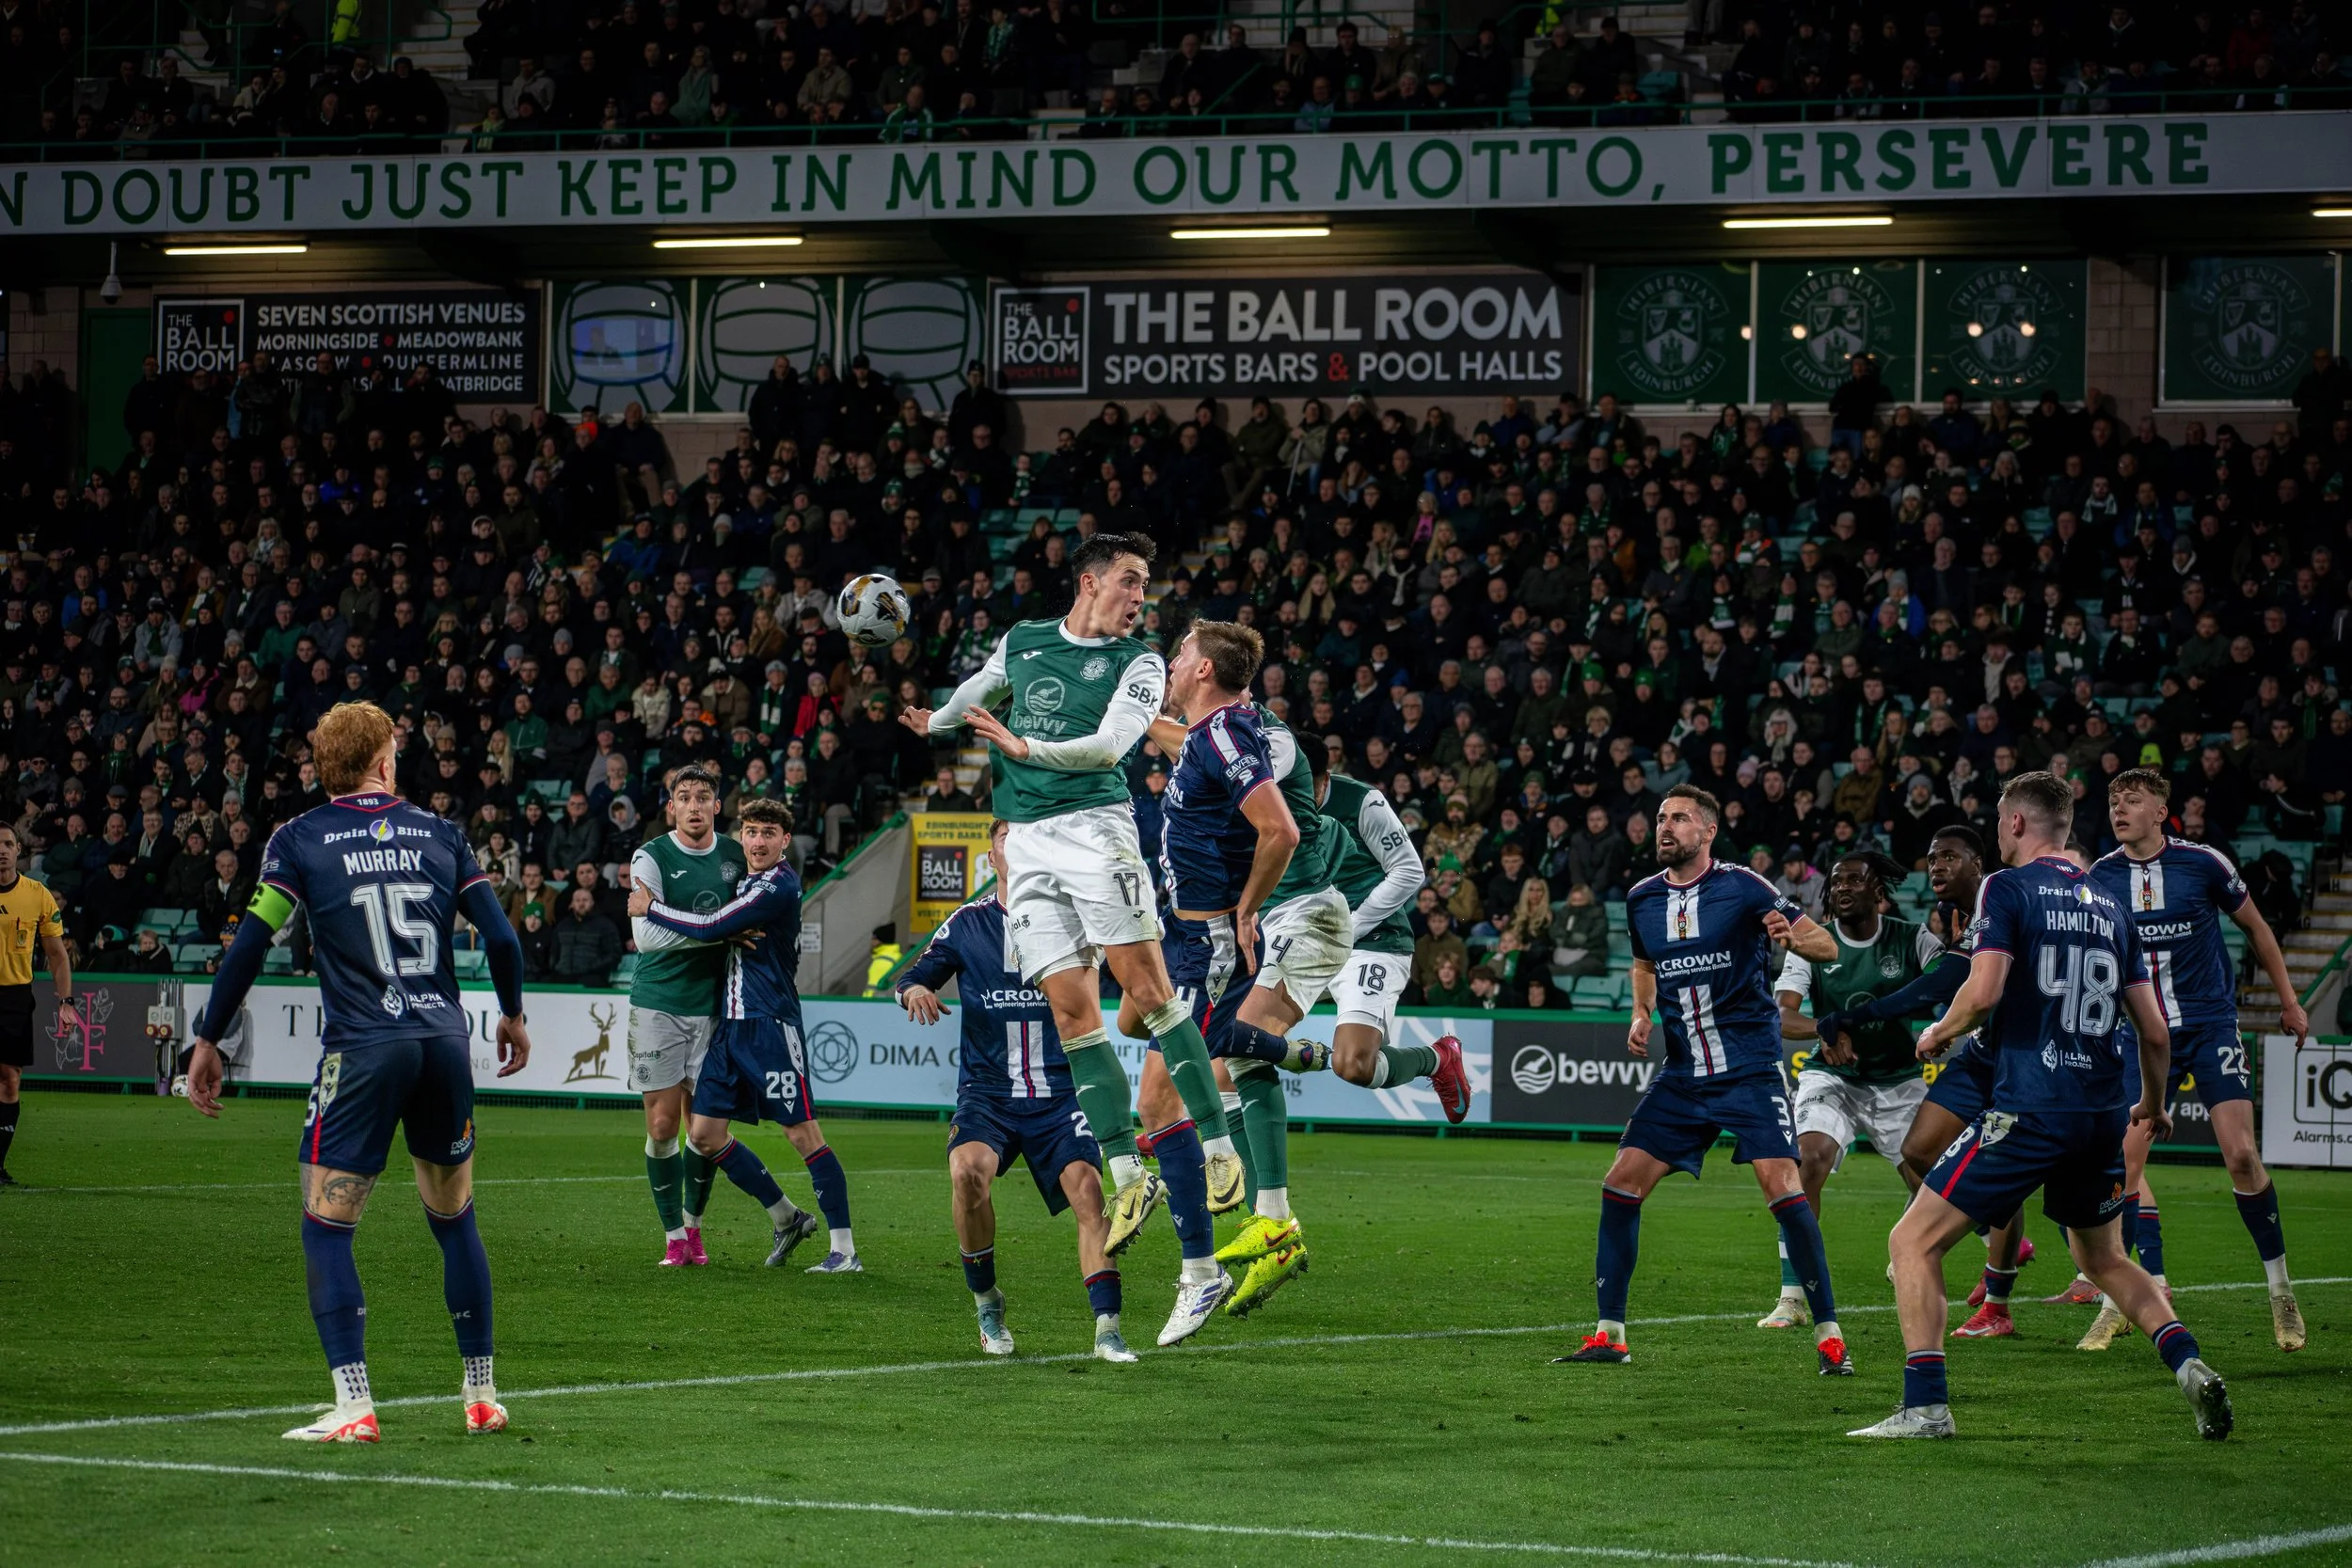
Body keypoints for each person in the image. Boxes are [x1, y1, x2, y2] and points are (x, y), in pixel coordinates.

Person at [183, 701, 532, 1444]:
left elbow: (250, 943)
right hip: (442, 1040)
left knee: (327, 1226)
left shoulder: (300, 839)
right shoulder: (442, 834)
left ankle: (355, 1405)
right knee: (455, 1218)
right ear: (382, 760)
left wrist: (209, 1035)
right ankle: (481, 1394)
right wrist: (511, 1013)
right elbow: (500, 937)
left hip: (364, 1047)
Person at [899, 534, 1245, 1281]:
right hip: (1025, 846)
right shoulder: (1023, 640)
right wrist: (936, 720)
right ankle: (1129, 1175)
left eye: (1146, 585)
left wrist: (1021, 750)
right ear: (1089, 582)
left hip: (1095, 832)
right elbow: (977, 689)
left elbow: (1109, 747)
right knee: (1073, 1018)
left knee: (1150, 994)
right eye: (1129, 581)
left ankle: (1219, 1148)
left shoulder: (1141, 662)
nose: (1140, 596)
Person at [1859, 772, 2231, 1441]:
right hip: (2099, 1114)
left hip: (2032, 1103)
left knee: (1910, 1241)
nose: (2000, 832)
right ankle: (2187, 1362)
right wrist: (2149, 1103)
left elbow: (1985, 987)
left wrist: (1939, 1031)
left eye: (2002, 821)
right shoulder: (2114, 907)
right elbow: (2153, 1030)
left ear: (2020, 824)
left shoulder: (2009, 887)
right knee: (2106, 1259)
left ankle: (1925, 1408)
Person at [1559, 784, 1850, 1373]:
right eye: (1661, 818)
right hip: (1684, 1074)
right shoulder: (1641, 898)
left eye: (1680, 819)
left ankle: (1829, 1334)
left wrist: (1796, 939)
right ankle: (1610, 1334)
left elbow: (1823, 943)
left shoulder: (1743, 885)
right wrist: (1642, 1011)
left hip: (1748, 1070)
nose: (1666, 827)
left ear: (1707, 831)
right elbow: (1644, 963)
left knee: (1784, 1190)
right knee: (1620, 1185)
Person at [2081, 769, 2310, 1354]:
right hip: (2141, 1038)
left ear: (2162, 810)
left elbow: (2256, 928)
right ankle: (2116, 1303)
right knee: (2124, 1165)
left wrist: (2289, 1001)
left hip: (2209, 1027)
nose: (2120, 809)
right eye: (2113, 801)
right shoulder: (2102, 877)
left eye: (2132, 801)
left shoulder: (2204, 863)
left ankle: (2281, 1291)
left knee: (2240, 1155)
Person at [897, 818, 1135, 1362]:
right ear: (993, 854)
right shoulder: (966, 924)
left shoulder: (1074, 920)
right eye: (1008, 838)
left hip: (1061, 1092)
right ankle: (986, 1301)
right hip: (988, 1093)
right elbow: (914, 976)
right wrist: (912, 993)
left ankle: (1108, 1328)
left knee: (1089, 1194)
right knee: (967, 1175)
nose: (1018, 846)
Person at [628, 797, 856, 1274]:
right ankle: (787, 1216)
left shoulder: (777, 885)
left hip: (770, 1025)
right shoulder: (748, 880)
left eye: (768, 834)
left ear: (784, 841)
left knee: (803, 1135)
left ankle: (844, 1250)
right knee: (706, 1136)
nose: (757, 841)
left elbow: (712, 925)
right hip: (729, 1030)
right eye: (750, 832)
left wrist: (652, 908)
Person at [1756, 851, 1939, 1329]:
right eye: (1836, 880)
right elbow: (1781, 1015)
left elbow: (1954, 986)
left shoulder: (1913, 937)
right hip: (1832, 1076)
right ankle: (1793, 1296)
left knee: (1932, 1183)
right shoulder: (1810, 944)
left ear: (1878, 891)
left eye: (1856, 880)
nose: (1842, 887)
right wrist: (1824, 1029)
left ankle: (1903, 1247)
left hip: (1899, 1080)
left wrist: (1943, 1033)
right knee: (1808, 1158)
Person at [623, 765, 755, 1266]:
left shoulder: (735, 855)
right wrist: (722, 931)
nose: (694, 805)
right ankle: (673, 1235)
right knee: (661, 1127)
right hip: (660, 1002)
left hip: (717, 1007)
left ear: (717, 806)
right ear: (671, 806)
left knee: (705, 1129)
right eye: (684, 797)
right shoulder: (651, 856)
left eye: (704, 797)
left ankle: (695, 1228)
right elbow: (647, 938)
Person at [1316, 750, 1469, 1117]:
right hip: (1308, 940)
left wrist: (1348, 928)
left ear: (1325, 776)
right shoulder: (1270, 799)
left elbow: (1409, 872)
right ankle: (1191, 1132)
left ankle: (1437, 1058)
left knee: (1353, 1065)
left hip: (1372, 943)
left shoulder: (1361, 800)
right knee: (1238, 1030)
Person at [0, 823, 74, 1186]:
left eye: (8, 844)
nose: (2, 850)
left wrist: (66, 1002)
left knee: (10, 1081)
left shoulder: (36, 894)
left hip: (14, 996)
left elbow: (58, 957)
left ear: (18, 851)